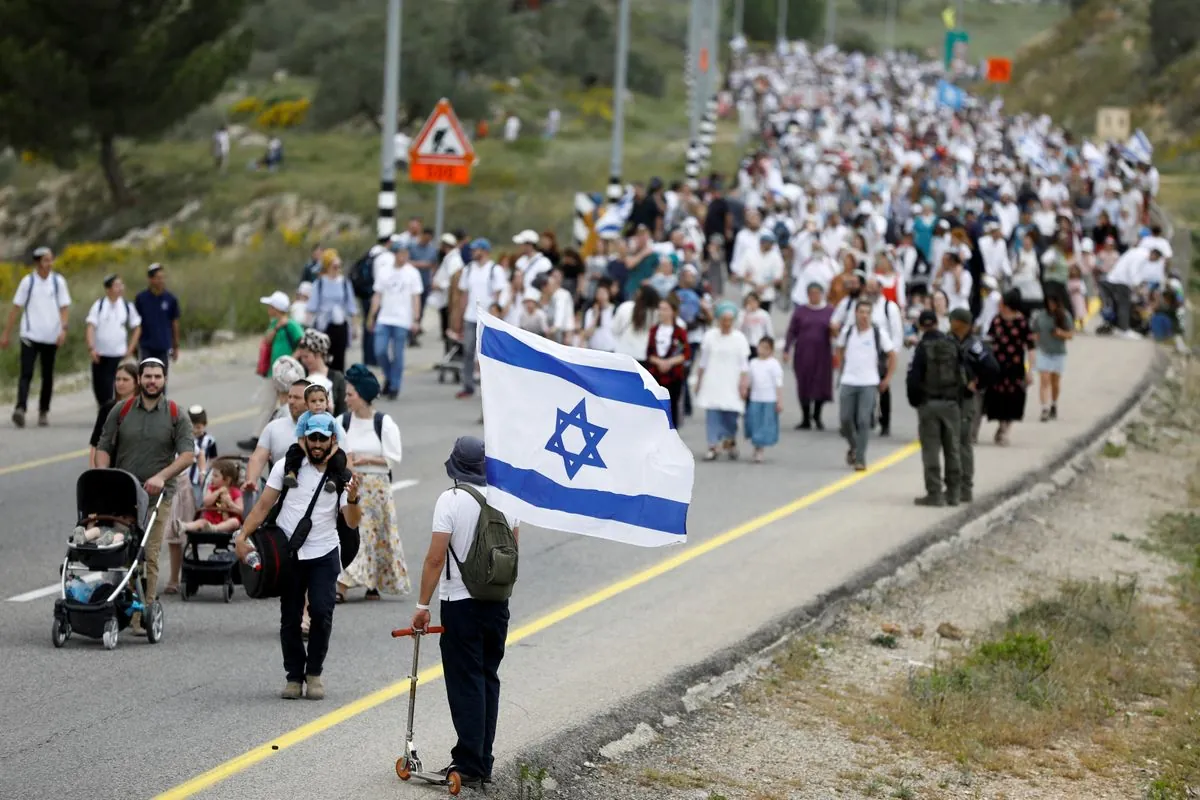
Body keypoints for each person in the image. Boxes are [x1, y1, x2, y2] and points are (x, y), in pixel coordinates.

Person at [410, 436, 519, 789]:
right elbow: (513, 549)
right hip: (497, 604)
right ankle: (482, 759)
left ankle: (468, 763)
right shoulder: (508, 498)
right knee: (488, 678)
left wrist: (422, 606)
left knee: (465, 681)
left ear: (456, 467)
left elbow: (435, 557)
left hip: (461, 604)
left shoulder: (451, 499)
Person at [236, 413, 362, 701]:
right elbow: (263, 506)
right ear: (303, 439)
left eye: (323, 438)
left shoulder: (343, 475)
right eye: (312, 438)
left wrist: (353, 498)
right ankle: (294, 676)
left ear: (333, 440)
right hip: (290, 553)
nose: (317, 444)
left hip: (325, 552)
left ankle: (314, 672)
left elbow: (352, 522)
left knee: (321, 612)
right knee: (290, 618)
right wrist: (242, 536)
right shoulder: (286, 467)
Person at [94, 358, 195, 631]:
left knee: (148, 553)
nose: (152, 381)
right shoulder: (122, 409)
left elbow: (187, 455)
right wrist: (103, 474)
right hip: (124, 492)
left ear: (164, 380)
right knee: (122, 551)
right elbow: (103, 445)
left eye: (157, 376)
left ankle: (143, 613)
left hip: (157, 496)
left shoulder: (176, 413)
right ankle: (120, 605)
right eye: (147, 376)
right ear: (139, 379)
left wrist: (162, 476)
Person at [336, 365, 408, 602]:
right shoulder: (343, 421)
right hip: (352, 484)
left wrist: (365, 459)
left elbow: (392, 458)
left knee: (376, 536)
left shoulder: (383, 423)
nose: (346, 399)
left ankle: (372, 584)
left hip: (377, 488)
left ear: (363, 395)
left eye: (350, 394)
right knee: (357, 534)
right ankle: (342, 584)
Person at [1, 247, 71, 428]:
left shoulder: (58, 282)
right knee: (26, 373)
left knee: (47, 375)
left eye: (51, 259)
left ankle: (43, 411)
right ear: (38, 262)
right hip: (29, 335)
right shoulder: (28, 282)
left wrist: (63, 330)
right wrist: (6, 334)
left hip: (51, 336)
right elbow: (16, 308)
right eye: (46, 260)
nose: (50, 263)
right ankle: (20, 409)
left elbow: (64, 308)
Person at [906, 310, 963, 507]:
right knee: (952, 449)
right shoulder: (952, 344)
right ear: (937, 323)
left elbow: (913, 379)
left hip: (929, 404)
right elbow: (963, 372)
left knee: (931, 450)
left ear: (921, 326)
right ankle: (954, 493)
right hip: (951, 403)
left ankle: (935, 493)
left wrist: (916, 401)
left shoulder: (922, 347)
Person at [835, 300, 897, 471]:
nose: (864, 316)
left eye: (867, 312)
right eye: (861, 312)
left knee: (863, 420)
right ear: (855, 313)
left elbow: (892, 355)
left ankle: (860, 458)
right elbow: (839, 349)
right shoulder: (848, 332)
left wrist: (887, 378)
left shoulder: (878, 333)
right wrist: (842, 367)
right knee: (845, 419)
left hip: (869, 382)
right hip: (849, 380)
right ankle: (854, 446)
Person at [948, 307, 998, 504]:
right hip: (949, 398)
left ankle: (965, 487)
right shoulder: (948, 341)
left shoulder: (975, 346)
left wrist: (977, 384)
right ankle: (952, 486)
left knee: (963, 443)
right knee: (951, 444)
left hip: (966, 399)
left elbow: (992, 369)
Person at [695, 301, 750, 462]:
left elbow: (744, 365)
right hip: (713, 380)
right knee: (712, 413)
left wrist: (744, 383)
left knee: (731, 414)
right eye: (723, 320)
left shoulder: (739, 338)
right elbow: (703, 362)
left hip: (732, 382)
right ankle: (713, 445)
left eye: (729, 320)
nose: (726, 323)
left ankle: (730, 441)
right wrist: (699, 381)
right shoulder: (710, 336)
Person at [369, 242, 422, 399]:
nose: (404, 257)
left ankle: (394, 386)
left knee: (398, 355)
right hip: (385, 317)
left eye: (406, 254)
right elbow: (377, 294)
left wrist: (416, 318)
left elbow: (416, 297)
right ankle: (388, 376)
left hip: (402, 319)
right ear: (395, 254)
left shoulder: (412, 273)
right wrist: (372, 315)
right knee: (380, 351)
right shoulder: (384, 271)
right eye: (401, 253)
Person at [454, 240, 505, 400]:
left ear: (484, 251)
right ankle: (468, 385)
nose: (472, 252)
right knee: (468, 351)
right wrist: (459, 315)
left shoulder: (494, 270)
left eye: (475, 250)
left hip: (488, 318)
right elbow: (464, 294)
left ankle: (490, 386)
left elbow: (498, 294)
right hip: (470, 316)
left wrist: (496, 315)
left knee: (487, 353)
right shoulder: (468, 269)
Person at [984, 289, 1035, 446]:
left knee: (1014, 400)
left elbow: (1031, 348)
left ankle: (1006, 430)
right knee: (997, 399)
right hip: (997, 367)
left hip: (1015, 367)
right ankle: (1001, 425)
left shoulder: (1022, 323)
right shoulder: (997, 321)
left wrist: (1030, 370)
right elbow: (989, 342)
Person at [281, 384, 352, 493]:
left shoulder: (332, 420)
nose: (318, 404)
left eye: (321, 400)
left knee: (340, 456)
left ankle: (332, 480)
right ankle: (292, 473)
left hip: (327, 449)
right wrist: (306, 452)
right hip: (307, 447)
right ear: (307, 404)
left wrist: (329, 456)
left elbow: (336, 443)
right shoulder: (303, 419)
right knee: (293, 450)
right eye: (313, 401)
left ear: (327, 402)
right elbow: (300, 438)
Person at [252, 291, 304, 441]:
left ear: (277, 308)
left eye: (271, 306)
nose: (269, 309)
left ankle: (287, 431)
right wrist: (275, 328)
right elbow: (266, 341)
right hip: (272, 371)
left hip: (286, 373)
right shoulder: (274, 324)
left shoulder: (292, 325)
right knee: (267, 403)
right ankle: (259, 436)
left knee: (286, 403)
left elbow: (302, 343)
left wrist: (290, 361)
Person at [85, 274, 141, 406]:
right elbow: (90, 327)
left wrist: (130, 348)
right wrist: (91, 348)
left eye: (121, 285)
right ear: (108, 289)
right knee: (100, 386)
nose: (120, 288)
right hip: (101, 354)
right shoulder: (99, 306)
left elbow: (137, 327)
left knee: (119, 385)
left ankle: (116, 411)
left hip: (119, 354)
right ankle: (104, 409)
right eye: (117, 285)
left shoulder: (127, 306)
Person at [784, 283, 834, 430]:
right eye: (812, 293)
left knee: (821, 383)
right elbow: (792, 331)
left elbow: (836, 330)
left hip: (822, 354)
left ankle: (817, 415)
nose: (815, 296)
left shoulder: (829, 311)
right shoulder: (800, 311)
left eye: (817, 293)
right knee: (804, 383)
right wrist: (787, 349)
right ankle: (805, 417)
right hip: (803, 353)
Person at [307, 249, 359, 372]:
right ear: (327, 267)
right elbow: (311, 308)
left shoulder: (345, 283)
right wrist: (307, 330)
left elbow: (351, 306)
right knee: (325, 360)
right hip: (324, 327)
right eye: (334, 266)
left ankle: (338, 388)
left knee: (340, 360)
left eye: (338, 266)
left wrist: (355, 326)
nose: (337, 269)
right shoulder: (319, 284)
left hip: (341, 325)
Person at [645, 295, 691, 425]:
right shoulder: (654, 331)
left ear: (673, 311)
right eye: (660, 309)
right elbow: (649, 353)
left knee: (673, 406)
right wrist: (659, 362)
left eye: (665, 309)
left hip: (674, 375)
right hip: (656, 374)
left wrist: (669, 362)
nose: (662, 312)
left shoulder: (679, 331)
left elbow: (685, 353)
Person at [1031, 293, 1073, 422]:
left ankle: (1054, 403)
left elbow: (1070, 335)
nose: (1051, 305)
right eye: (1049, 303)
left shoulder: (1064, 316)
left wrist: (1060, 333)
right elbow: (1035, 333)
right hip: (1043, 352)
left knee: (1055, 382)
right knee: (1044, 380)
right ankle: (1044, 408)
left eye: (1053, 303)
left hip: (1058, 353)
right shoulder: (1040, 316)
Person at [88, 362, 139, 468]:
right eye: (117, 379)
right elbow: (96, 442)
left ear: (136, 382)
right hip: (111, 467)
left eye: (125, 380)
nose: (120, 383)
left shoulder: (143, 408)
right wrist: (93, 471)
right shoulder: (107, 408)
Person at [744, 336, 783, 463]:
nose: (762, 350)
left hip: (769, 399)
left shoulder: (774, 364)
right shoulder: (753, 363)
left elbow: (778, 384)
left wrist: (779, 400)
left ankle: (760, 449)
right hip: (755, 398)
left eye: (766, 348)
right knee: (754, 423)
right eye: (761, 347)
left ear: (771, 350)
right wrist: (746, 391)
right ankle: (756, 446)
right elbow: (749, 380)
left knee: (764, 425)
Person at [134, 263, 181, 369]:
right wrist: (134, 345)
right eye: (158, 278)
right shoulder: (141, 299)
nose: (161, 281)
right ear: (151, 279)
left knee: (160, 379)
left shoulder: (170, 299)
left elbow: (175, 322)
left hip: (163, 345)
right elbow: (136, 323)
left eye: (163, 278)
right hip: (146, 345)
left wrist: (176, 346)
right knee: (146, 378)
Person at [180, 460, 243, 534]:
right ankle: (184, 526)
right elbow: (206, 502)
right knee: (201, 522)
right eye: (212, 475)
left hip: (227, 520)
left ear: (227, 480)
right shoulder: (212, 489)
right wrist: (217, 492)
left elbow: (240, 510)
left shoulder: (235, 492)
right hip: (210, 520)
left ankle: (215, 528)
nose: (212, 478)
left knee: (234, 522)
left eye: (215, 476)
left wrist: (230, 503)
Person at [612, 285, 659, 365]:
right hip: (642, 355)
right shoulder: (656, 314)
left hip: (622, 353)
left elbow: (614, 329)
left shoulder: (625, 306)